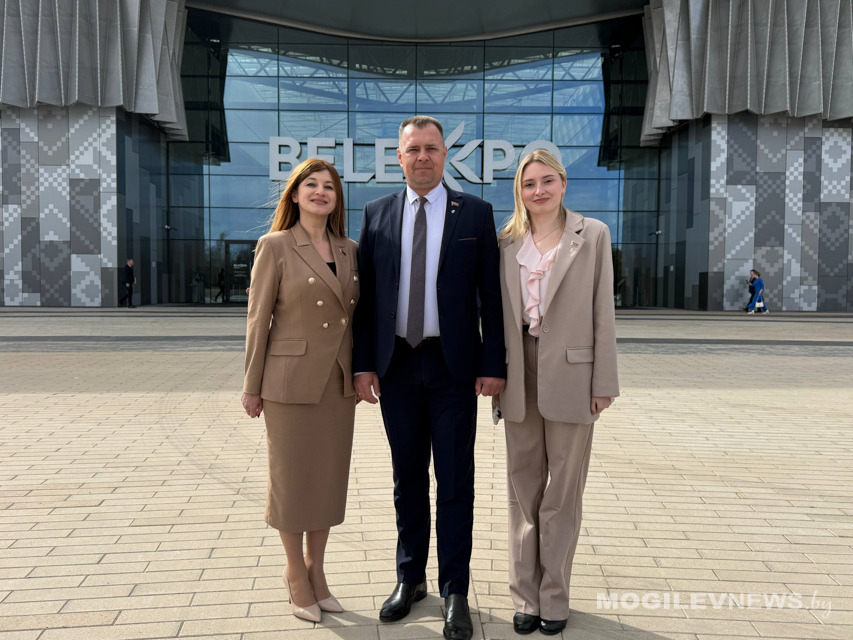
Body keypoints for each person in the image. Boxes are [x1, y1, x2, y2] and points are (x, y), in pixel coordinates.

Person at [352, 115, 506, 640]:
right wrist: (363, 363)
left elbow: (492, 298)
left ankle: (455, 589)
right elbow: (366, 300)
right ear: (398, 157)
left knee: (456, 481)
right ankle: (410, 578)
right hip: (395, 365)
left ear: (445, 155)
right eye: (413, 148)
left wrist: (493, 365)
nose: (422, 156)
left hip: (453, 366)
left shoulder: (476, 213)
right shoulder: (376, 213)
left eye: (432, 148)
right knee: (407, 479)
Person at [494, 149, 619, 636]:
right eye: (529, 184)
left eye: (547, 180)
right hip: (518, 373)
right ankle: (525, 596)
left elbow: (603, 311)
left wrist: (603, 382)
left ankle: (554, 597)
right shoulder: (506, 241)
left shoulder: (593, 235)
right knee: (521, 492)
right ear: (519, 191)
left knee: (562, 495)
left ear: (564, 183)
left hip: (572, 376)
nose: (539, 190)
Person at [241, 158, 359, 623]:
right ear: (294, 194)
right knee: (292, 483)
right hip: (288, 383)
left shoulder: (349, 249)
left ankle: (317, 571)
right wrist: (251, 386)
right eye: (311, 184)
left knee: (327, 481)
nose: (321, 192)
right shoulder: (275, 245)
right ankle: (294, 572)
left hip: (337, 383)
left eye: (329, 186)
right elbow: (258, 319)